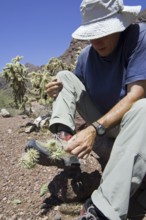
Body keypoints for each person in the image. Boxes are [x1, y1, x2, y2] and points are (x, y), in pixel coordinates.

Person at [26, 0, 146, 219]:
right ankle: (62, 143)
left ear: (120, 25)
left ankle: (103, 210)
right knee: (64, 77)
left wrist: (93, 130)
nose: (96, 41)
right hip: (103, 123)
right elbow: (74, 90)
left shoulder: (139, 37)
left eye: (104, 32)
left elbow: (136, 95)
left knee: (144, 107)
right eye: (92, 34)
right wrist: (58, 90)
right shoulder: (85, 57)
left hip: (135, 125)